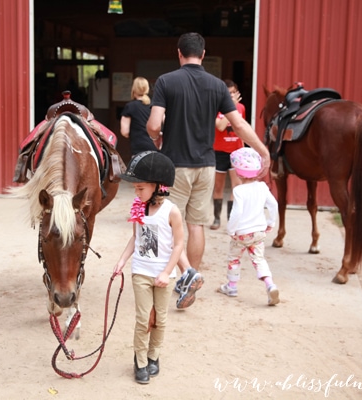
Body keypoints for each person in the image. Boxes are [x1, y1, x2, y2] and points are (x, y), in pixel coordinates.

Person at [147, 32, 270, 272]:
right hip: (206, 165)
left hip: (175, 166)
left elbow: (153, 124)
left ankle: (174, 274)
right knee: (196, 226)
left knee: (171, 223)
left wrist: (156, 137)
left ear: (179, 53)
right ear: (203, 55)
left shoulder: (166, 81)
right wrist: (263, 151)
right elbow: (240, 125)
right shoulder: (217, 86)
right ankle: (191, 276)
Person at [113, 151, 199, 384]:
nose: (137, 193)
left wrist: (166, 272)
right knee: (143, 319)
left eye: (141, 188)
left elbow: (179, 244)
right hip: (140, 271)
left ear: (157, 186)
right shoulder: (138, 207)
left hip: (164, 273)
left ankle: (154, 356)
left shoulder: (171, 211)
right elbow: (136, 239)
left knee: (160, 319)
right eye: (136, 188)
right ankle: (140, 361)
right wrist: (122, 260)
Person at [217, 148, 280, 305]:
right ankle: (270, 284)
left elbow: (236, 213)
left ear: (238, 173)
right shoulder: (263, 187)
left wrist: (231, 229)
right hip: (258, 232)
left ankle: (231, 286)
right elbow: (273, 204)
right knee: (259, 259)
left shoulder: (239, 190)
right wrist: (271, 222)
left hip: (242, 234)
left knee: (234, 258)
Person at [211, 79, 246, 230]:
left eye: (233, 93)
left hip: (236, 151)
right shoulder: (216, 108)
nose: (231, 95)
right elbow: (220, 126)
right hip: (219, 151)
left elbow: (241, 128)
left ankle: (231, 220)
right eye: (228, 93)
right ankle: (216, 218)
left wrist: (243, 148)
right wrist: (230, 106)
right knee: (218, 186)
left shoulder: (241, 107)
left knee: (236, 187)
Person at [120, 77, 158, 156]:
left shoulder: (130, 106)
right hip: (155, 147)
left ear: (133, 89)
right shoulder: (154, 106)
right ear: (147, 89)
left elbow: (125, 132)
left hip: (138, 150)